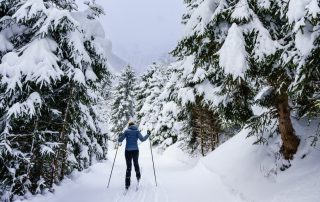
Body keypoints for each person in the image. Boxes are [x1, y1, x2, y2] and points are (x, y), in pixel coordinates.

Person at [118, 121, 150, 190]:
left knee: (128, 167)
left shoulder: (126, 131)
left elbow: (120, 140)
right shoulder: (137, 131)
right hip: (135, 151)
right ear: (134, 125)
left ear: (129, 126)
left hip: (128, 151)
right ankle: (138, 177)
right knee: (136, 163)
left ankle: (127, 184)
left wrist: (120, 135)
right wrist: (148, 134)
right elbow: (143, 139)